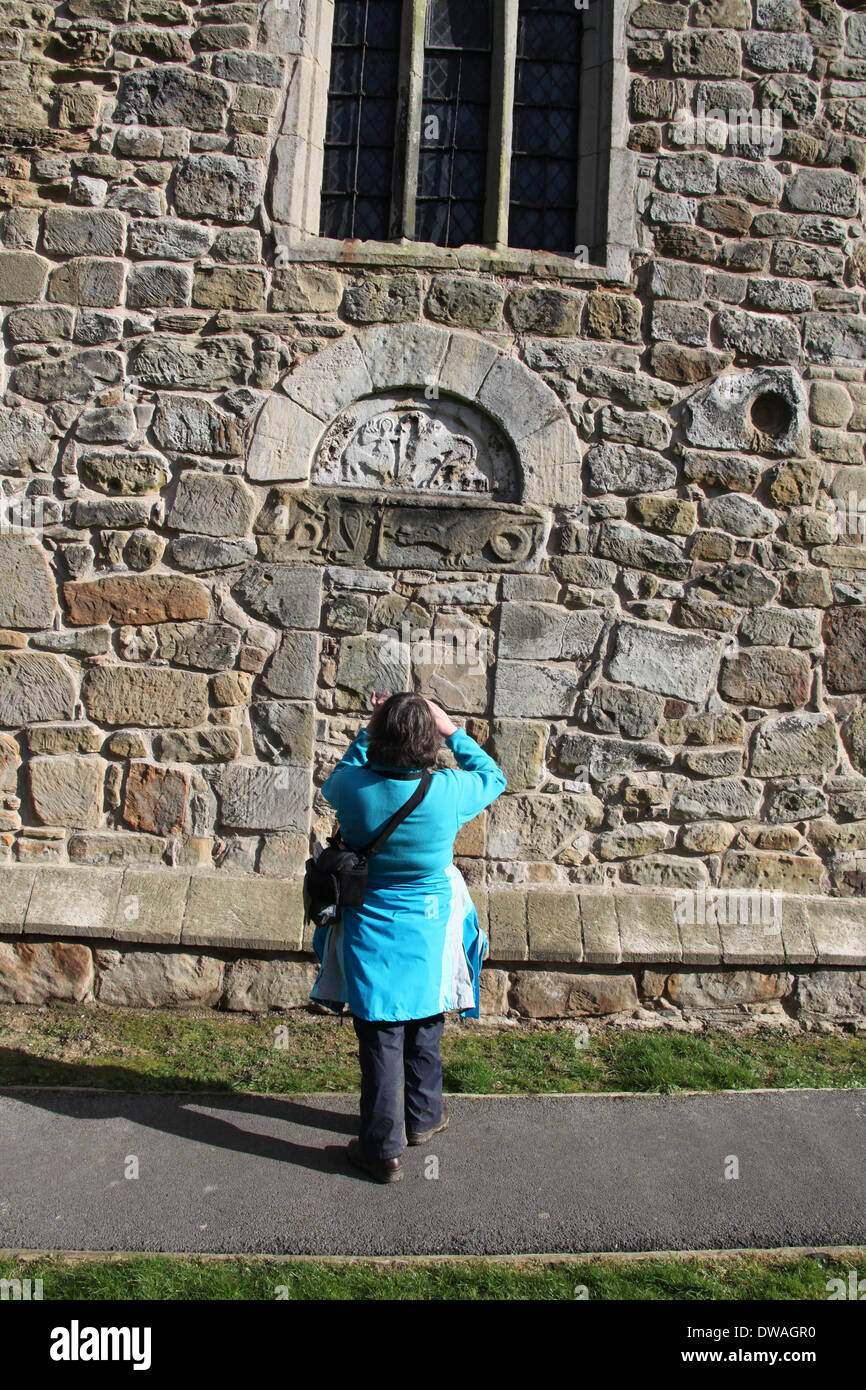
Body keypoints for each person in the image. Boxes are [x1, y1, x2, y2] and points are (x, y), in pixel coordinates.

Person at [309, 690, 507, 1183]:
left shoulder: (352, 790)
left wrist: (368, 727)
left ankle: (382, 1148)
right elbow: (495, 777)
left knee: (380, 1029)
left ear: (379, 737)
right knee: (426, 1015)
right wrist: (451, 729)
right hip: (430, 924)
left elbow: (338, 775)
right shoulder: (448, 793)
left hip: (369, 926)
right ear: (427, 743)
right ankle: (422, 1116)